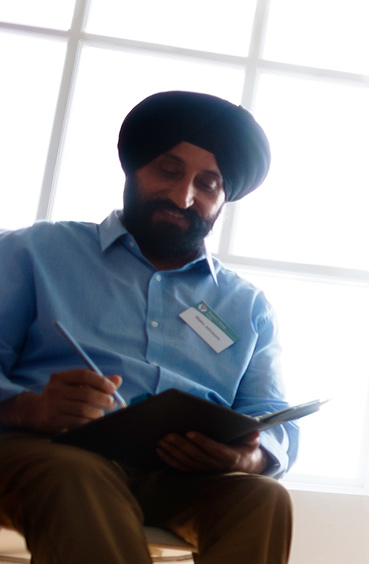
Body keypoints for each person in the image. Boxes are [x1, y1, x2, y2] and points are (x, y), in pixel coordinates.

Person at [0, 90, 295, 563]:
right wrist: (29, 409)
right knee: (77, 473)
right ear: (134, 169)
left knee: (262, 497)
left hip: (181, 478)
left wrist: (249, 458)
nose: (184, 196)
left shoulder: (249, 307)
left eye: (209, 184)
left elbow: (273, 419)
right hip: (47, 453)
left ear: (223, 199)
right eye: (169, 170)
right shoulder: (33, 252)